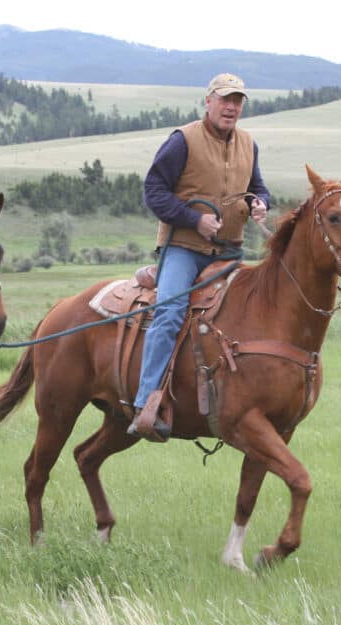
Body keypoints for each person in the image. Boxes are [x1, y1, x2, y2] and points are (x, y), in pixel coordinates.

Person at [129, 72, 271, 439]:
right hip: (185, 249)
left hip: (230, 252)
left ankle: (245, 400)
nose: (231, 107)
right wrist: (194, 219)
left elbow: (258, 188)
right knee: (171, 311)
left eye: (237, 101)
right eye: (225, 99)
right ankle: (145, 402)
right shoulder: (183, 140)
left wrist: (260, 204)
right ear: (208, 101)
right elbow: (153, 191)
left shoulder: (248, 144)